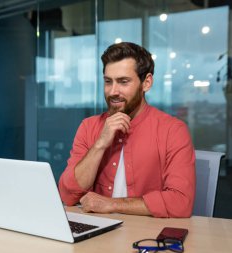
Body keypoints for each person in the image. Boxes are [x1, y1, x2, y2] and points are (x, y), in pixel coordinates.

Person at [58, 42, 196, 218]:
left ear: (146, 83)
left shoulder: (173, 131)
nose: (113, 91)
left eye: (123, 82)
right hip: (97, 234)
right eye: (108, 82)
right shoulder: (88, 126)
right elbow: (68, 196)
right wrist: (100, 144)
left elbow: (180, 203)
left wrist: (111, 204)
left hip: (146, 235)